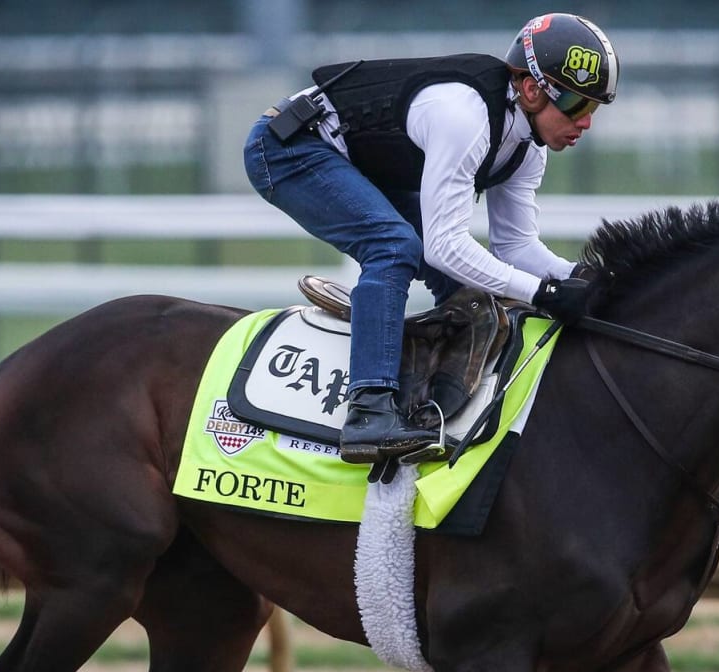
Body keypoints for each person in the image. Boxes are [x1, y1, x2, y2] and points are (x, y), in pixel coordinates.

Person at [242, 12, 619, 463]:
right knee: (393, 245)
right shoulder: (467, 118)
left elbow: (516, 247)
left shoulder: (526, 148)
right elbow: (443, 246)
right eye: (578, 105)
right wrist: (544, 292)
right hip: (288, 147)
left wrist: (584, 279)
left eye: (594, 109)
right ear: (532, 89)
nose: (587, 123)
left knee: (468, 292)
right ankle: (368, 411)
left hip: (356, 159)